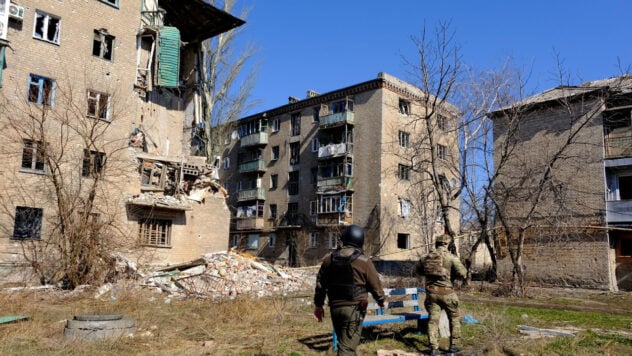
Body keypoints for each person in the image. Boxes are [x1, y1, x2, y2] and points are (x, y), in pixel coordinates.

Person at [313, 224, 386, 355]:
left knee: (346, 344)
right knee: (347, 349)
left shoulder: (329, 259)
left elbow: (320, 285)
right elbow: (375, 284)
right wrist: (381, 300)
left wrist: (318, 305)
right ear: (360, 241)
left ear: (345, 239)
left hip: (335, 308)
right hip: (354, 310)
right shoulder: (364, 261)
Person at [416, 234, 467, 355]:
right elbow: (463, 273)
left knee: (433, 320)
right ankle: (454, 346)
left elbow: (418, 271)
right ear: (446, 244)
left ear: (437, 243)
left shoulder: (425, 258)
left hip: (432, 294)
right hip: (447, 293)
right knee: (454, 318)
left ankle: (434, 348)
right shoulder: (451, 257)